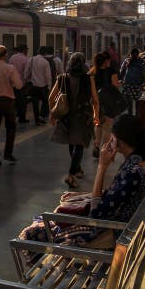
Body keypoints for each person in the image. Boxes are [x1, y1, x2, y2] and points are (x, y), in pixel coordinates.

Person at [19, 114, 145, 253]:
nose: (110, 140)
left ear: (120, 139)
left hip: (109, 233)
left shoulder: (132, 172)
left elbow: (96, 214)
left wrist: (102, 167)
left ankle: (44, 272)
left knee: (31, 234)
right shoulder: (141, 164)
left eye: (112, 137)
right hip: (123, 228)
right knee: (50, 220)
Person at [48, 52, 99, 188]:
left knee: (72, 143)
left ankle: (77, 169)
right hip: (83, 116)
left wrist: (52, 114)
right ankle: (71, 175)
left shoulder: (62, 78)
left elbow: (51, 98)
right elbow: (94, 100)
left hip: (66, 116)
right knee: (79, 145)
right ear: (83, 64)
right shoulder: (89, 79)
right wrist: (96, 115)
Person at [0, 45, 23, 167]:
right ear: (5, 55)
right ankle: (8, 153)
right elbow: (19, 85)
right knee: (11, 127)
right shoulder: (10, 68)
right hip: (7, 101)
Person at [91, 52, 120, 158]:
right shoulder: (111, 70)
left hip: (97, 101)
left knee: (98, 124)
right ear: (106, 61)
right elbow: (115, 85)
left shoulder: (93, 70)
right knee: (107, 127)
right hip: (109, 101)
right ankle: (104, 149)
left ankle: (96, 145)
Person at [24, 47, 52, 125]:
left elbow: (26, 71)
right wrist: (49, 87)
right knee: (46, 101)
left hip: (33, 86)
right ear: (45, 53)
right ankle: (42, 116)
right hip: (42, 86)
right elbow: (48, 76)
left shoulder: (31, 59)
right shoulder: (45, 62)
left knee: (35, 103)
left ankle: (37, 120)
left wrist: (26, 79)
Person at [119, 48, 145, 115]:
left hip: (128, 84)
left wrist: (121, 79)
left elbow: (121, 71)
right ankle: (136, 115)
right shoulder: (141, 61)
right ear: (138, 54)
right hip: (138, 84)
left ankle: (130, 116)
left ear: (130, 54)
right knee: (137, 102)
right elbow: (144, 72)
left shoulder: (127, 61)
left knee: (129, 102)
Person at [8, 44, 30, 123]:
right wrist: (27, 82)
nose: (27, 51)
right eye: (27, 50)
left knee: (14, 102)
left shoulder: (12, 58)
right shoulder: (26, 59)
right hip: (21, 84)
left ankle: (12, 117)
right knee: (22, 102)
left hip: (12, 83)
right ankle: (22, 118)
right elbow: (27, 73)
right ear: (24, 50)